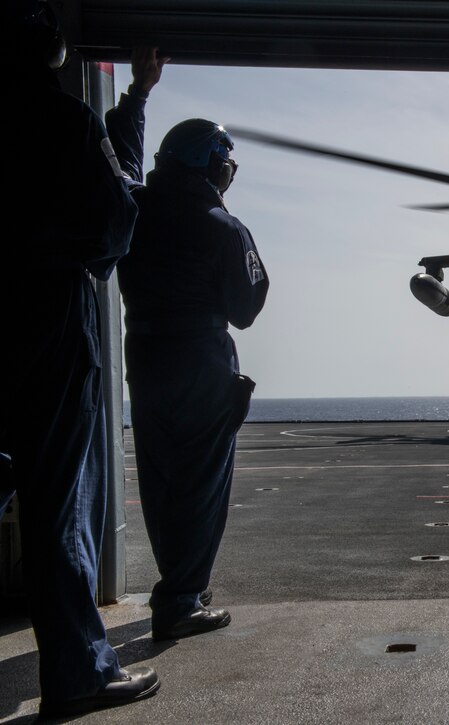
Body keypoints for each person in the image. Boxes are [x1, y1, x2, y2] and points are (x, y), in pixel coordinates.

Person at [1, 1, 162, 717]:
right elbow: (115, 214)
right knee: (57, 495)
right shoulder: (64, 121)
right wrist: (135, 100)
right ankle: (77, 671)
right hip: (43, 313)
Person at [111, 104, 269, 641]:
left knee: (161, 480)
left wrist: (134, 100)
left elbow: (121, 162)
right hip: (202, 362)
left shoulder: (135, 206)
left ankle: (179, 586)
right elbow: (247, 308)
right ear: (212, 166)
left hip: (147, 362)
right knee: (202, 482)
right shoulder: (223, 227)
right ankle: (182, 600)